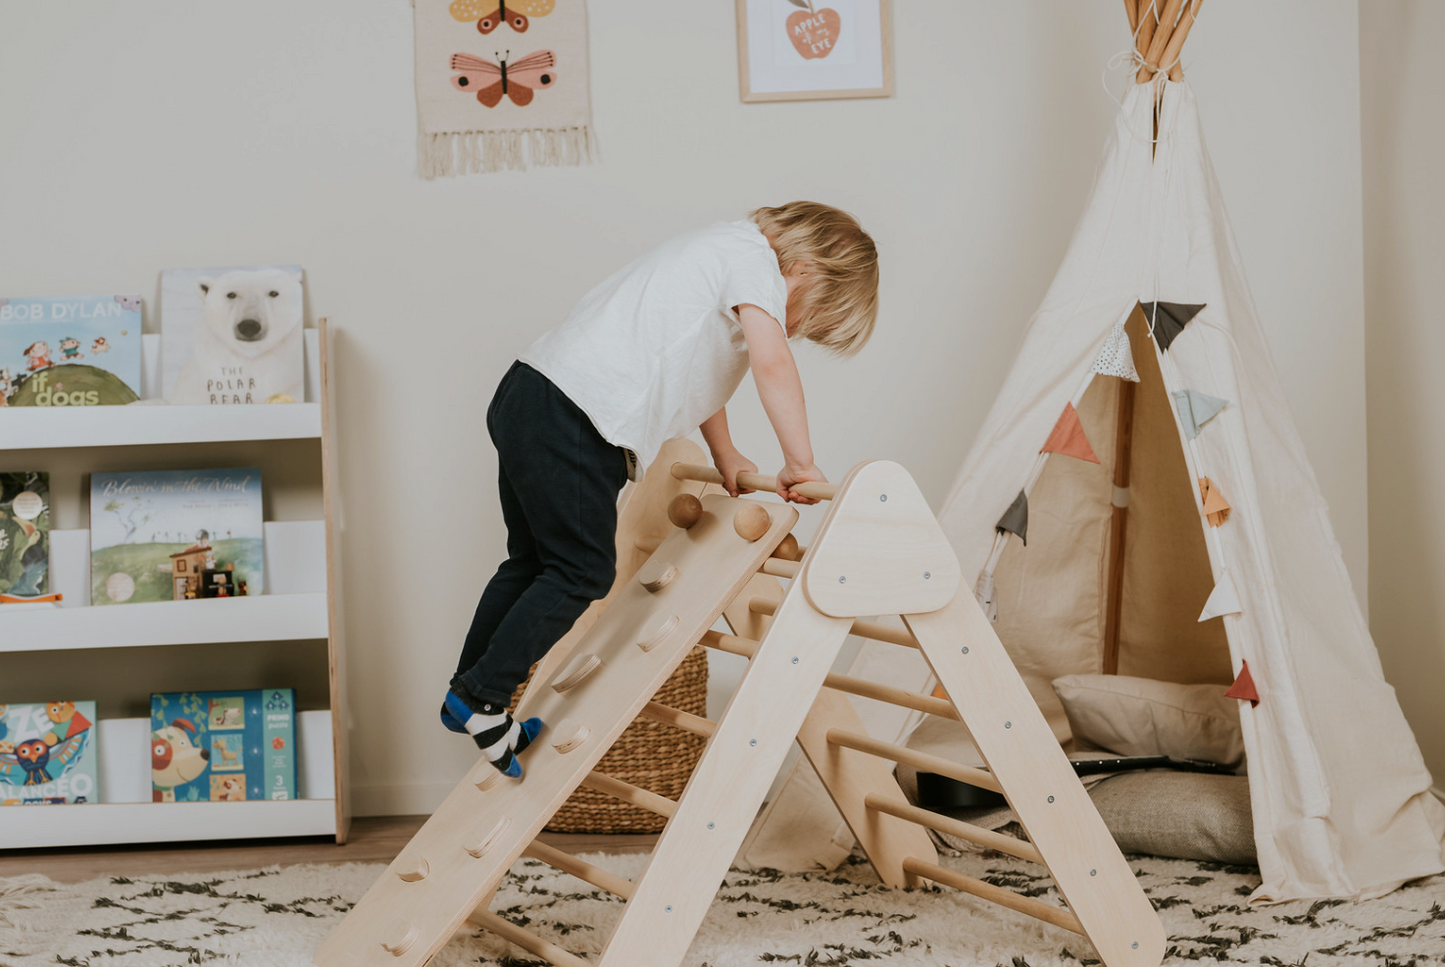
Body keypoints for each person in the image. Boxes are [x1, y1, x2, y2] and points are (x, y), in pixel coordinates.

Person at [441, 201, 880, 777]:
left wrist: (725, 455)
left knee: (532, 562)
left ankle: (466, 695)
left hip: (532, 394)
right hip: (577, 415)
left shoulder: (719, 254)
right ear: (805, 270)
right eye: (808, 317)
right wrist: (801, 462)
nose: (792, 330)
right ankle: (483, 699)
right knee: (582, 572)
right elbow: (773, 365)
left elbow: (704, 377)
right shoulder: (755, 262)